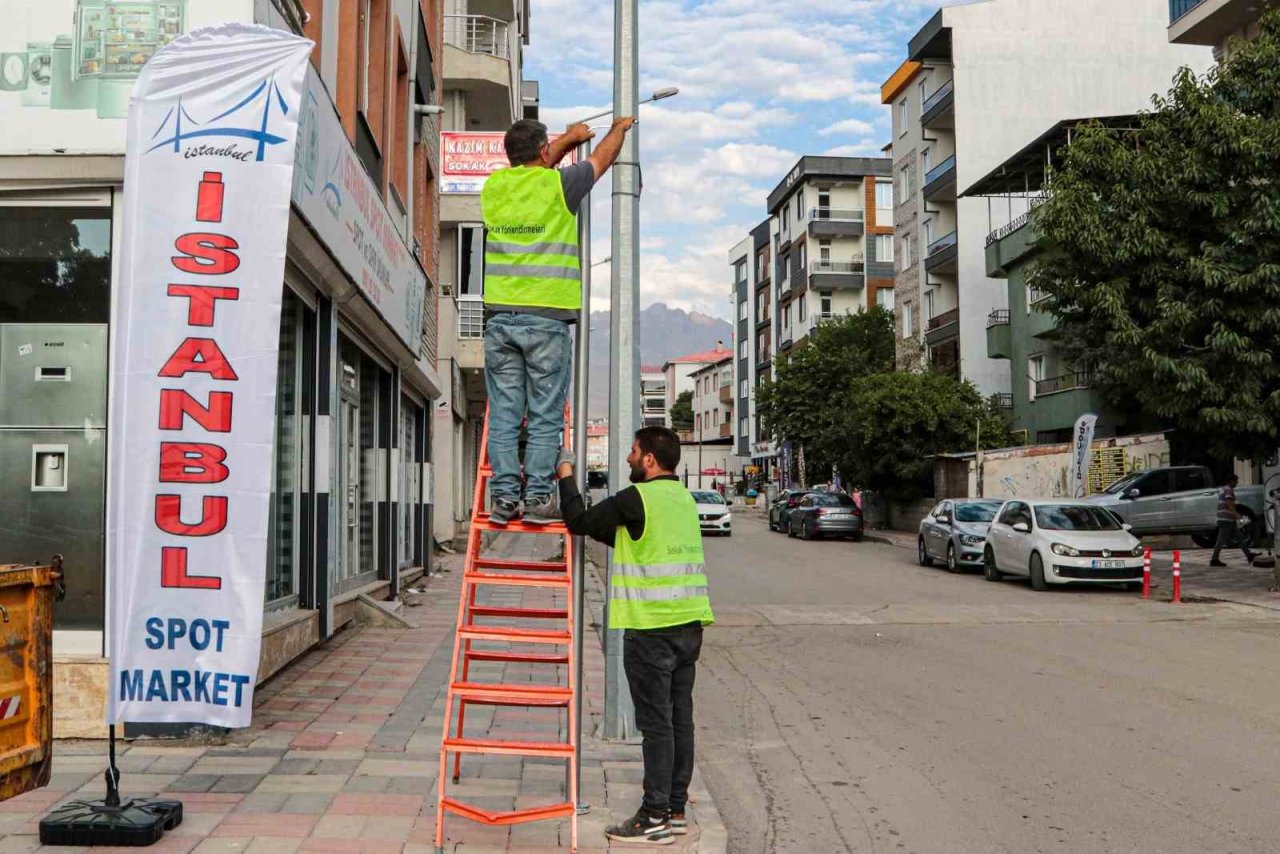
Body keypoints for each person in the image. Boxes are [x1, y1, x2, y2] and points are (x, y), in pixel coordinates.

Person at [556, 426, 714, 845]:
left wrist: (566, 472)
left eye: (632, 451)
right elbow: (628, 538)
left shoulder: (635, 499)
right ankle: (676, 808)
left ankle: (654, 815)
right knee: (681, 719)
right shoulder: (683, 498)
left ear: (648, 459)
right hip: (689, 626)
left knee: (657, 725)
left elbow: (579, 521)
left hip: (651, 630)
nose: (627, 457)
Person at [482, 116, 636, 525]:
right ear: (544, 150)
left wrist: (567, 139)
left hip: (500, 317)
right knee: (545, 415)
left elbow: (539, 167)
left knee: (504, 414)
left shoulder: (494, 188)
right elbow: (601, 159)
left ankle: (501, 501)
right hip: (546, 318)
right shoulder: (558, 185)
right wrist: (618, 127)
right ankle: (535, 500)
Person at [1211, 473, 1257, 567]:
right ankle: (1214, 559)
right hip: (1225, 519)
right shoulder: (1228, 490)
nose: (1237, 483)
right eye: (1236, 481)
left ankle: (1249, 555)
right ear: (1231, 481)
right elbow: (1229, 502)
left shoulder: (1223, 489)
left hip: (1228, 519)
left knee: (1240, 538)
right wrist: (1236, 514)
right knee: (1221, 540)